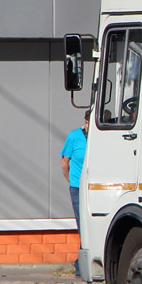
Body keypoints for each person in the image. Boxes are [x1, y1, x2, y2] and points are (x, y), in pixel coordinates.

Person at [59, 110, 90, 275]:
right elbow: (64, 162)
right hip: (78, 187)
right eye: (87, 121)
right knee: (82, 224)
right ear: (84, 122)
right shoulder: (74, 136)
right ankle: (81, 265)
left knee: (91, 224)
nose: (89, 124)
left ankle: (82, 262)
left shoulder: (99, 137)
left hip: (93, 187)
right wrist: (70, 180)